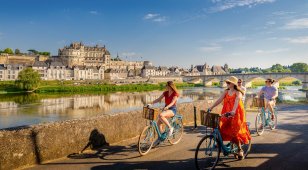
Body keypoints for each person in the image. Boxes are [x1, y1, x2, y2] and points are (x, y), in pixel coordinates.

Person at [208, 76, 251, 160]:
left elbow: (237, 100)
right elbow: (220, 99)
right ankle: (220, 143)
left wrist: (233, 110)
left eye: (229, 82)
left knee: (234, 132)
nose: (227, 84)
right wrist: (211, 107)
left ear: (233, 84)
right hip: (226, 112)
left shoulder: (238, 92)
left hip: (236, 113)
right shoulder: (226, 91)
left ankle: (239, 149)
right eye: (227, 82)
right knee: (219, 126)